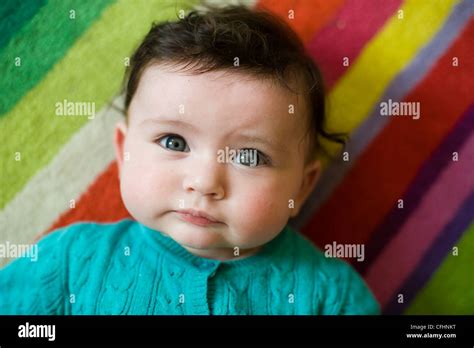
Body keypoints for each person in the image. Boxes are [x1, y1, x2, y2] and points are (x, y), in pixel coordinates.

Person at [0, 5, 380, 315]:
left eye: (249, 156)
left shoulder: (332, 298)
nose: (204, 182)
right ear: (123, 151)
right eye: (174, 141)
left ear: (302, 186)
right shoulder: (70, 261)